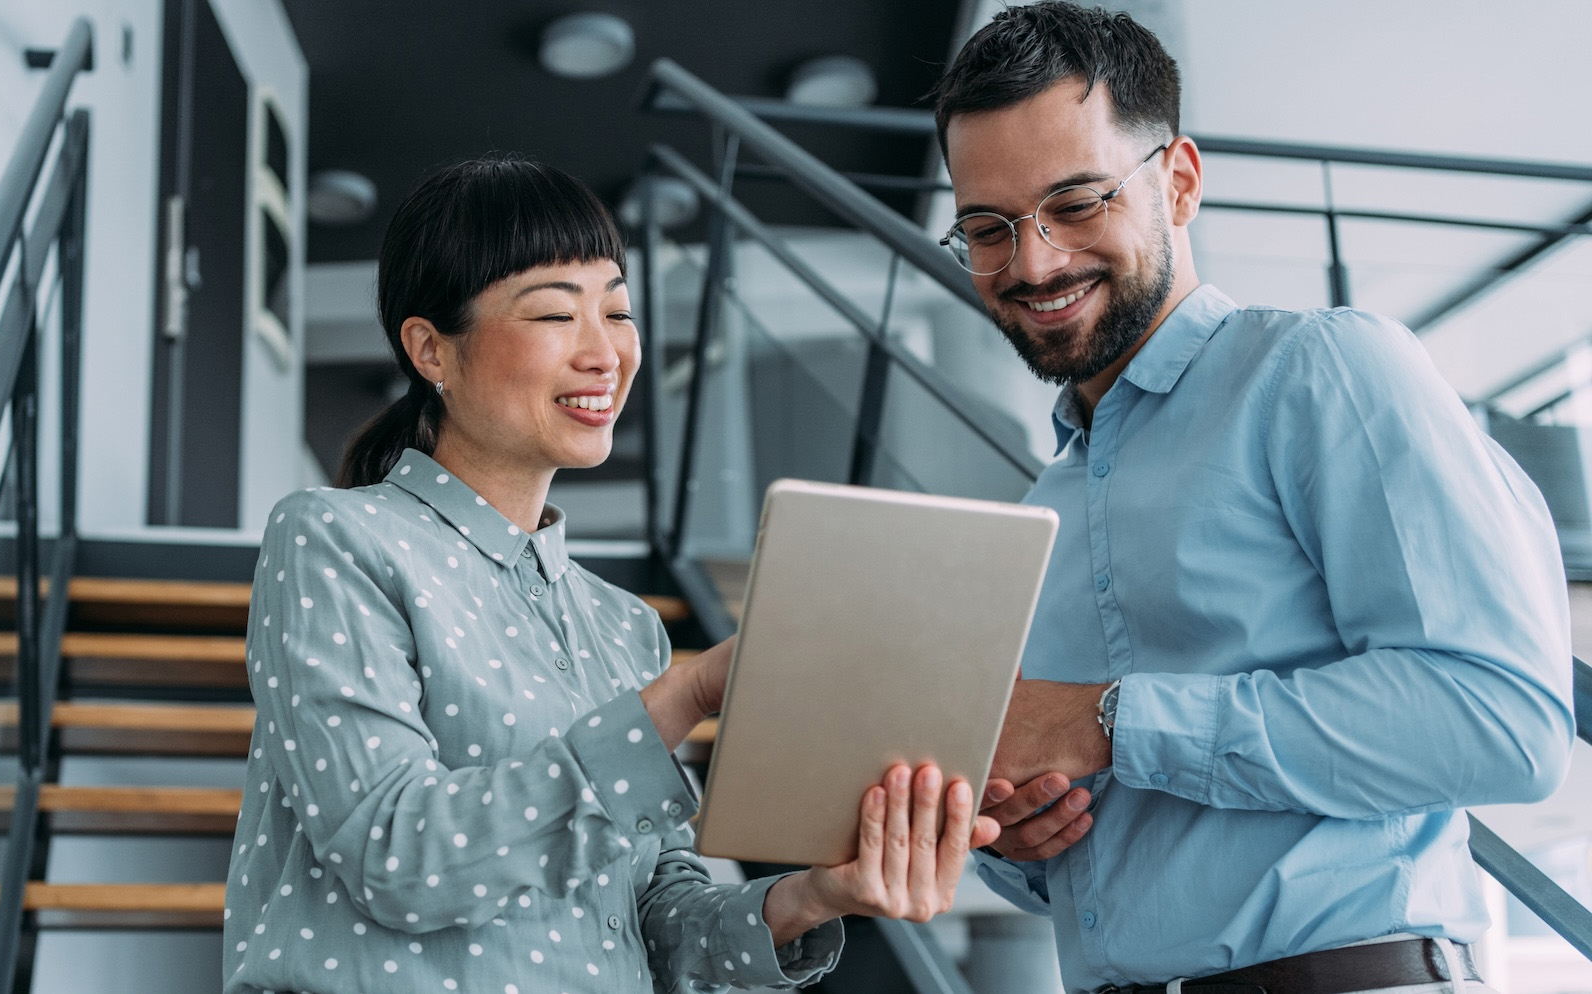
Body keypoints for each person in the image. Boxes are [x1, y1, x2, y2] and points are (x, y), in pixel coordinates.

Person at [222, 157, 999, 994]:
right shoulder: (335, 539)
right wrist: (688, 694)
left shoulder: (624, 626)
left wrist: (815, 894)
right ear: (430, 351)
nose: (606, 352)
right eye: (557, 313)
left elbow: (657, 924)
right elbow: (399, 857)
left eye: (618, 311)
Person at [927, 5, 1577, 994]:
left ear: (1178, 181)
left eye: (1075, 203)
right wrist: (1011, 837)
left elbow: (1499, 720)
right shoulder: (1040, 509)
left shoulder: (1324, 372)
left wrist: (1104, 719)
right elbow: (1092, 855)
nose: (1033, 261)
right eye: (987, 226)